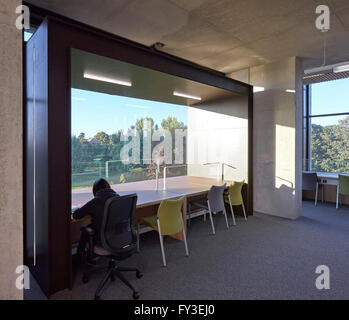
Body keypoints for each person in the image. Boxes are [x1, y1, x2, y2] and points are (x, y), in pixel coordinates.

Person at [72, 178, 119, 261]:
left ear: (95, 191)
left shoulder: (95, 202)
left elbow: (76, 215)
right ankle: (93, 256)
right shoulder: (119, 198)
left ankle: (83, 258)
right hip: (119, 238)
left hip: (103, 241)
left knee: (86, 230)